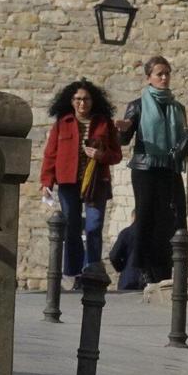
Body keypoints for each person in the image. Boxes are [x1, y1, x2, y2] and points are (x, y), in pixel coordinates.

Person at [115, 55, 188, 289]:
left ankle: (166, 268)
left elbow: (179, 152)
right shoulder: (138, 105)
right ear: (149, 78)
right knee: (145, 217)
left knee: (174, 217)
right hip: (145, 169)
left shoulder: (177, 108)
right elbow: (124, 140)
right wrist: (123, 130)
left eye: (167, 73)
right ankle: (142, 269)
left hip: (169, 169)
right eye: (159, 74)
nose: (164, 78)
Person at [40, 79, 121, 282]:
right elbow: (51, 154)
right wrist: (46, 182)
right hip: (68, 182)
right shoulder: (62, 123)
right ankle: (73, 272)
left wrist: (100, 155)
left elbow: (116, 155)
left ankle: (92, 270)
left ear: (93, 101)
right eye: (77, 99)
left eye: (86, 99)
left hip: (96, 181)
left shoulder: (104, 123)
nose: (82, 103)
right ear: (71, 101)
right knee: (72, 228)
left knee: (94, 226)